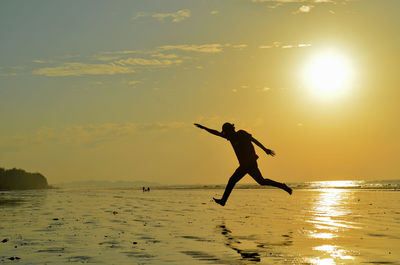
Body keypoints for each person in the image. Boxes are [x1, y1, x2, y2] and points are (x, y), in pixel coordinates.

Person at [194, 122, 292, 206]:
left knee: (233, 180)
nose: (225, 135)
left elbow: (254, 140)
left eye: (226, 132)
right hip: (245, 165)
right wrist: (204, 128)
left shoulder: (241, 133)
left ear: (230, 130)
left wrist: (265, 149)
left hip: (250, 163)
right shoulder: (230, 137)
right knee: (261, 181)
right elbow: (216, 133)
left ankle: (223, 201)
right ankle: (283, 186)